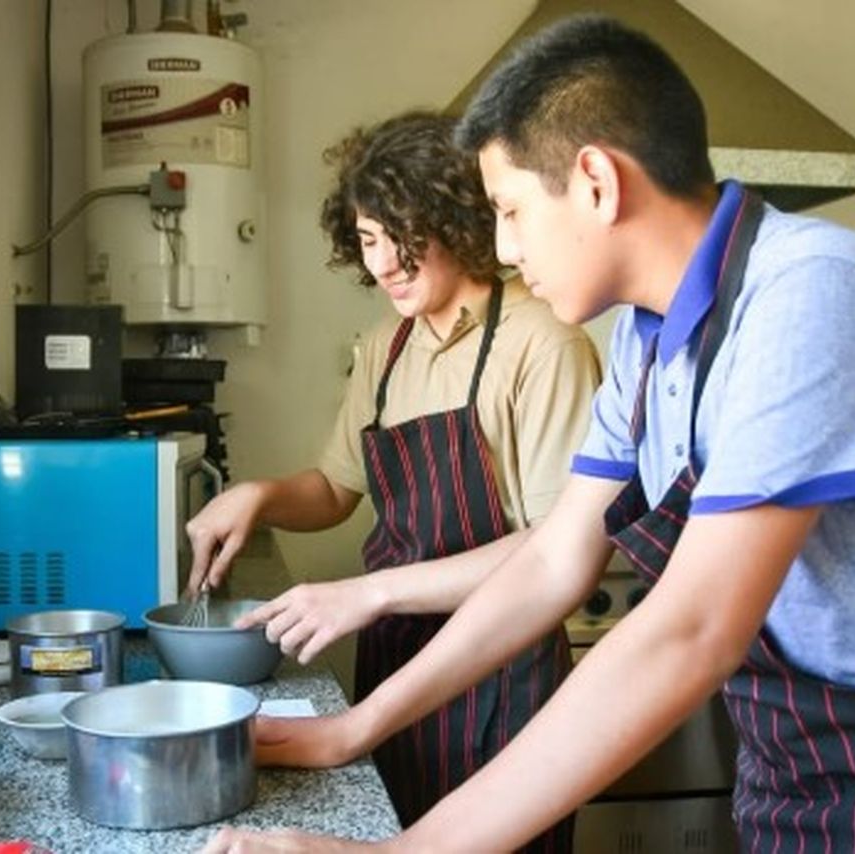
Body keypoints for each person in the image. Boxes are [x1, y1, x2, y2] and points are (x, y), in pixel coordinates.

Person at [202, 13, 855, 853]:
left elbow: (692, 628)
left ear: (596, 183)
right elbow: (552, 561)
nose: (502, 246)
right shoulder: (648, 341)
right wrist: (351, 730)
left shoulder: (813, 292)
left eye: (509, 210)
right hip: (792, 762)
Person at [185, 110, 601, 849]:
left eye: (399, 236)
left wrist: (370, 591)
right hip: (393, 665)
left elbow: (551, 547)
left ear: (457, 218)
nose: (382, 265)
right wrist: (261, 497)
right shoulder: (386, 346)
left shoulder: (544, 342)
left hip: (500, 675)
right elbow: (335, 490)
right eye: (368, 240)